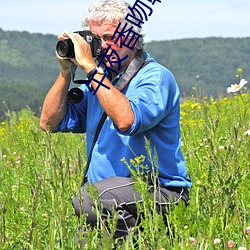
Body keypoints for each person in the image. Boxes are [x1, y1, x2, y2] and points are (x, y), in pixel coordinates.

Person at [40, 0, 192, 244]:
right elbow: (49, 123)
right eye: (95, 38)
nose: (101, 47)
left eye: (109, 38)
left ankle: (146, 241)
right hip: (110, 199)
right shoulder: (100, 81)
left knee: (88, 200)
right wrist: (66, 70)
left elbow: (127, 120)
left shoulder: (154, 77)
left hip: (160, 192)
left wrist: (90, 67)